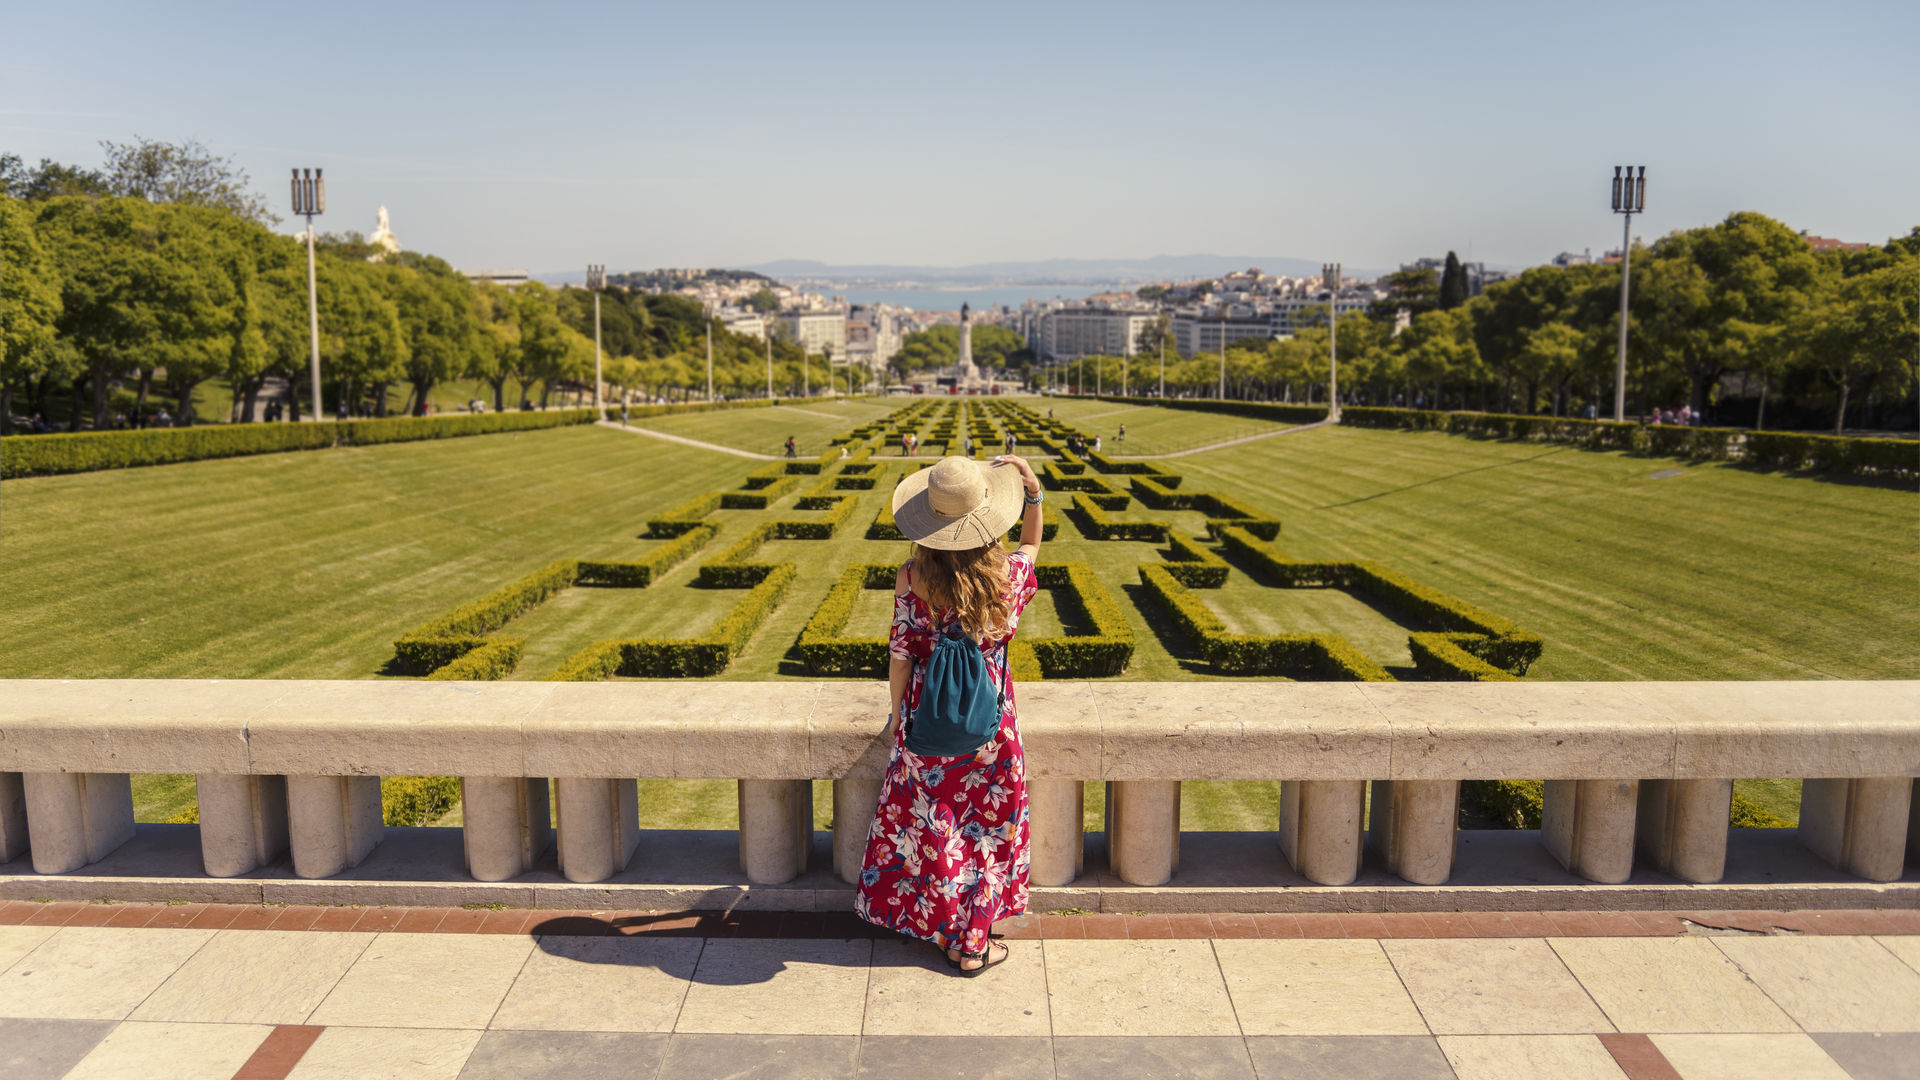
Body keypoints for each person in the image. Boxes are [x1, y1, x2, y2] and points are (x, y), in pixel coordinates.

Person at [856, 453, 1043, 975]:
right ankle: (975, 942)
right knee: (987, 831)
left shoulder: (911, 577)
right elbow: (1031, 544)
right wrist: (1032, 492)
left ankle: (947, 930)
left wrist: (898, 718)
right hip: (993, 724)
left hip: (927, 723)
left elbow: (900, 655)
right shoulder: (1006, 576)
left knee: (937, 828)